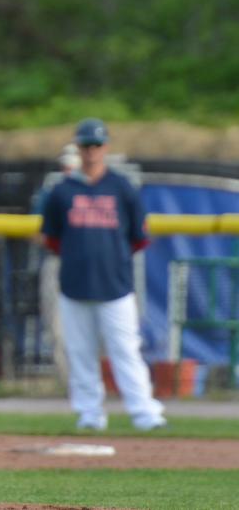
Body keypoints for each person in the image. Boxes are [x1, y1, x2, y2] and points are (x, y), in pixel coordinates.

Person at [40, 118, 166, 431]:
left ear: (106, 148)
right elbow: (52, 239)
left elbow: (139, 237)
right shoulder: (62, 191)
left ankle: (145, 414)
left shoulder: (121, 188)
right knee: (80, 354)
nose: (91, 151)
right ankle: (90, 414)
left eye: (97, 145)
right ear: (78, 148)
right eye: (86, 145)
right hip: (74, 285)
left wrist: (110, 259)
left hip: (116, 286)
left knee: (125, 351)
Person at [34, 143, 81, 380]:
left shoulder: (100, 191)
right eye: (66, 166)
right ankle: (67, 380)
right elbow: (35, 231)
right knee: (57, 325)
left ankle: (95, 379)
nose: (68, 170)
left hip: (89, 265)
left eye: (73, 165)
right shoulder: (52, 193)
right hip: (58, 261)